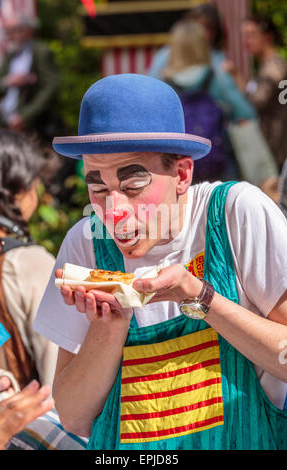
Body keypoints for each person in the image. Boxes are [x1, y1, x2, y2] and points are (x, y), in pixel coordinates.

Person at [34, 73, 287, 450]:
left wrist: (198, 296)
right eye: (98, 189)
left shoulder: (233, 214)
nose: (113, 211)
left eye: (133, 187)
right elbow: (73, 416)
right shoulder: (86, 242)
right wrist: (112, 323)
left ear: (182, 174)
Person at [0, 127, 58, 390]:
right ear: (15, 187)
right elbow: (57, 372)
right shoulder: (28, 262)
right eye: (35, 179)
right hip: (23, 422)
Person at [160, 20, 256, 182]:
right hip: (219, 169)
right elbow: (245, 112)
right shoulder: (217, 77)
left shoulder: (164, 83)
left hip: (179, 171)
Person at [0, 14, 58, 140]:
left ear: (27, 31)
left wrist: (24, 116)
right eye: (6, 32)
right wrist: (8, 81)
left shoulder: (40, 52)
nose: (8, 37)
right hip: (4, 121)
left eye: (12, 32)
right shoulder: (11, 54)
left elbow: (50, 87)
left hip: (30, 125)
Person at [242, 14, 287, 171]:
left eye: (252, 34)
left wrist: (237, 82)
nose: (247, 40)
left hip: (278, 151)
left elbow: (255, 103)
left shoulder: (274, 67)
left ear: (268, 36)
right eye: (245, 35)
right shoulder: (271, 64)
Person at [148, 3, 231, 80]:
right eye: (200, 27)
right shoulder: (168, 54)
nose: (205, 33)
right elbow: (152, 82)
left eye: (210, 29)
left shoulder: (217, 56)